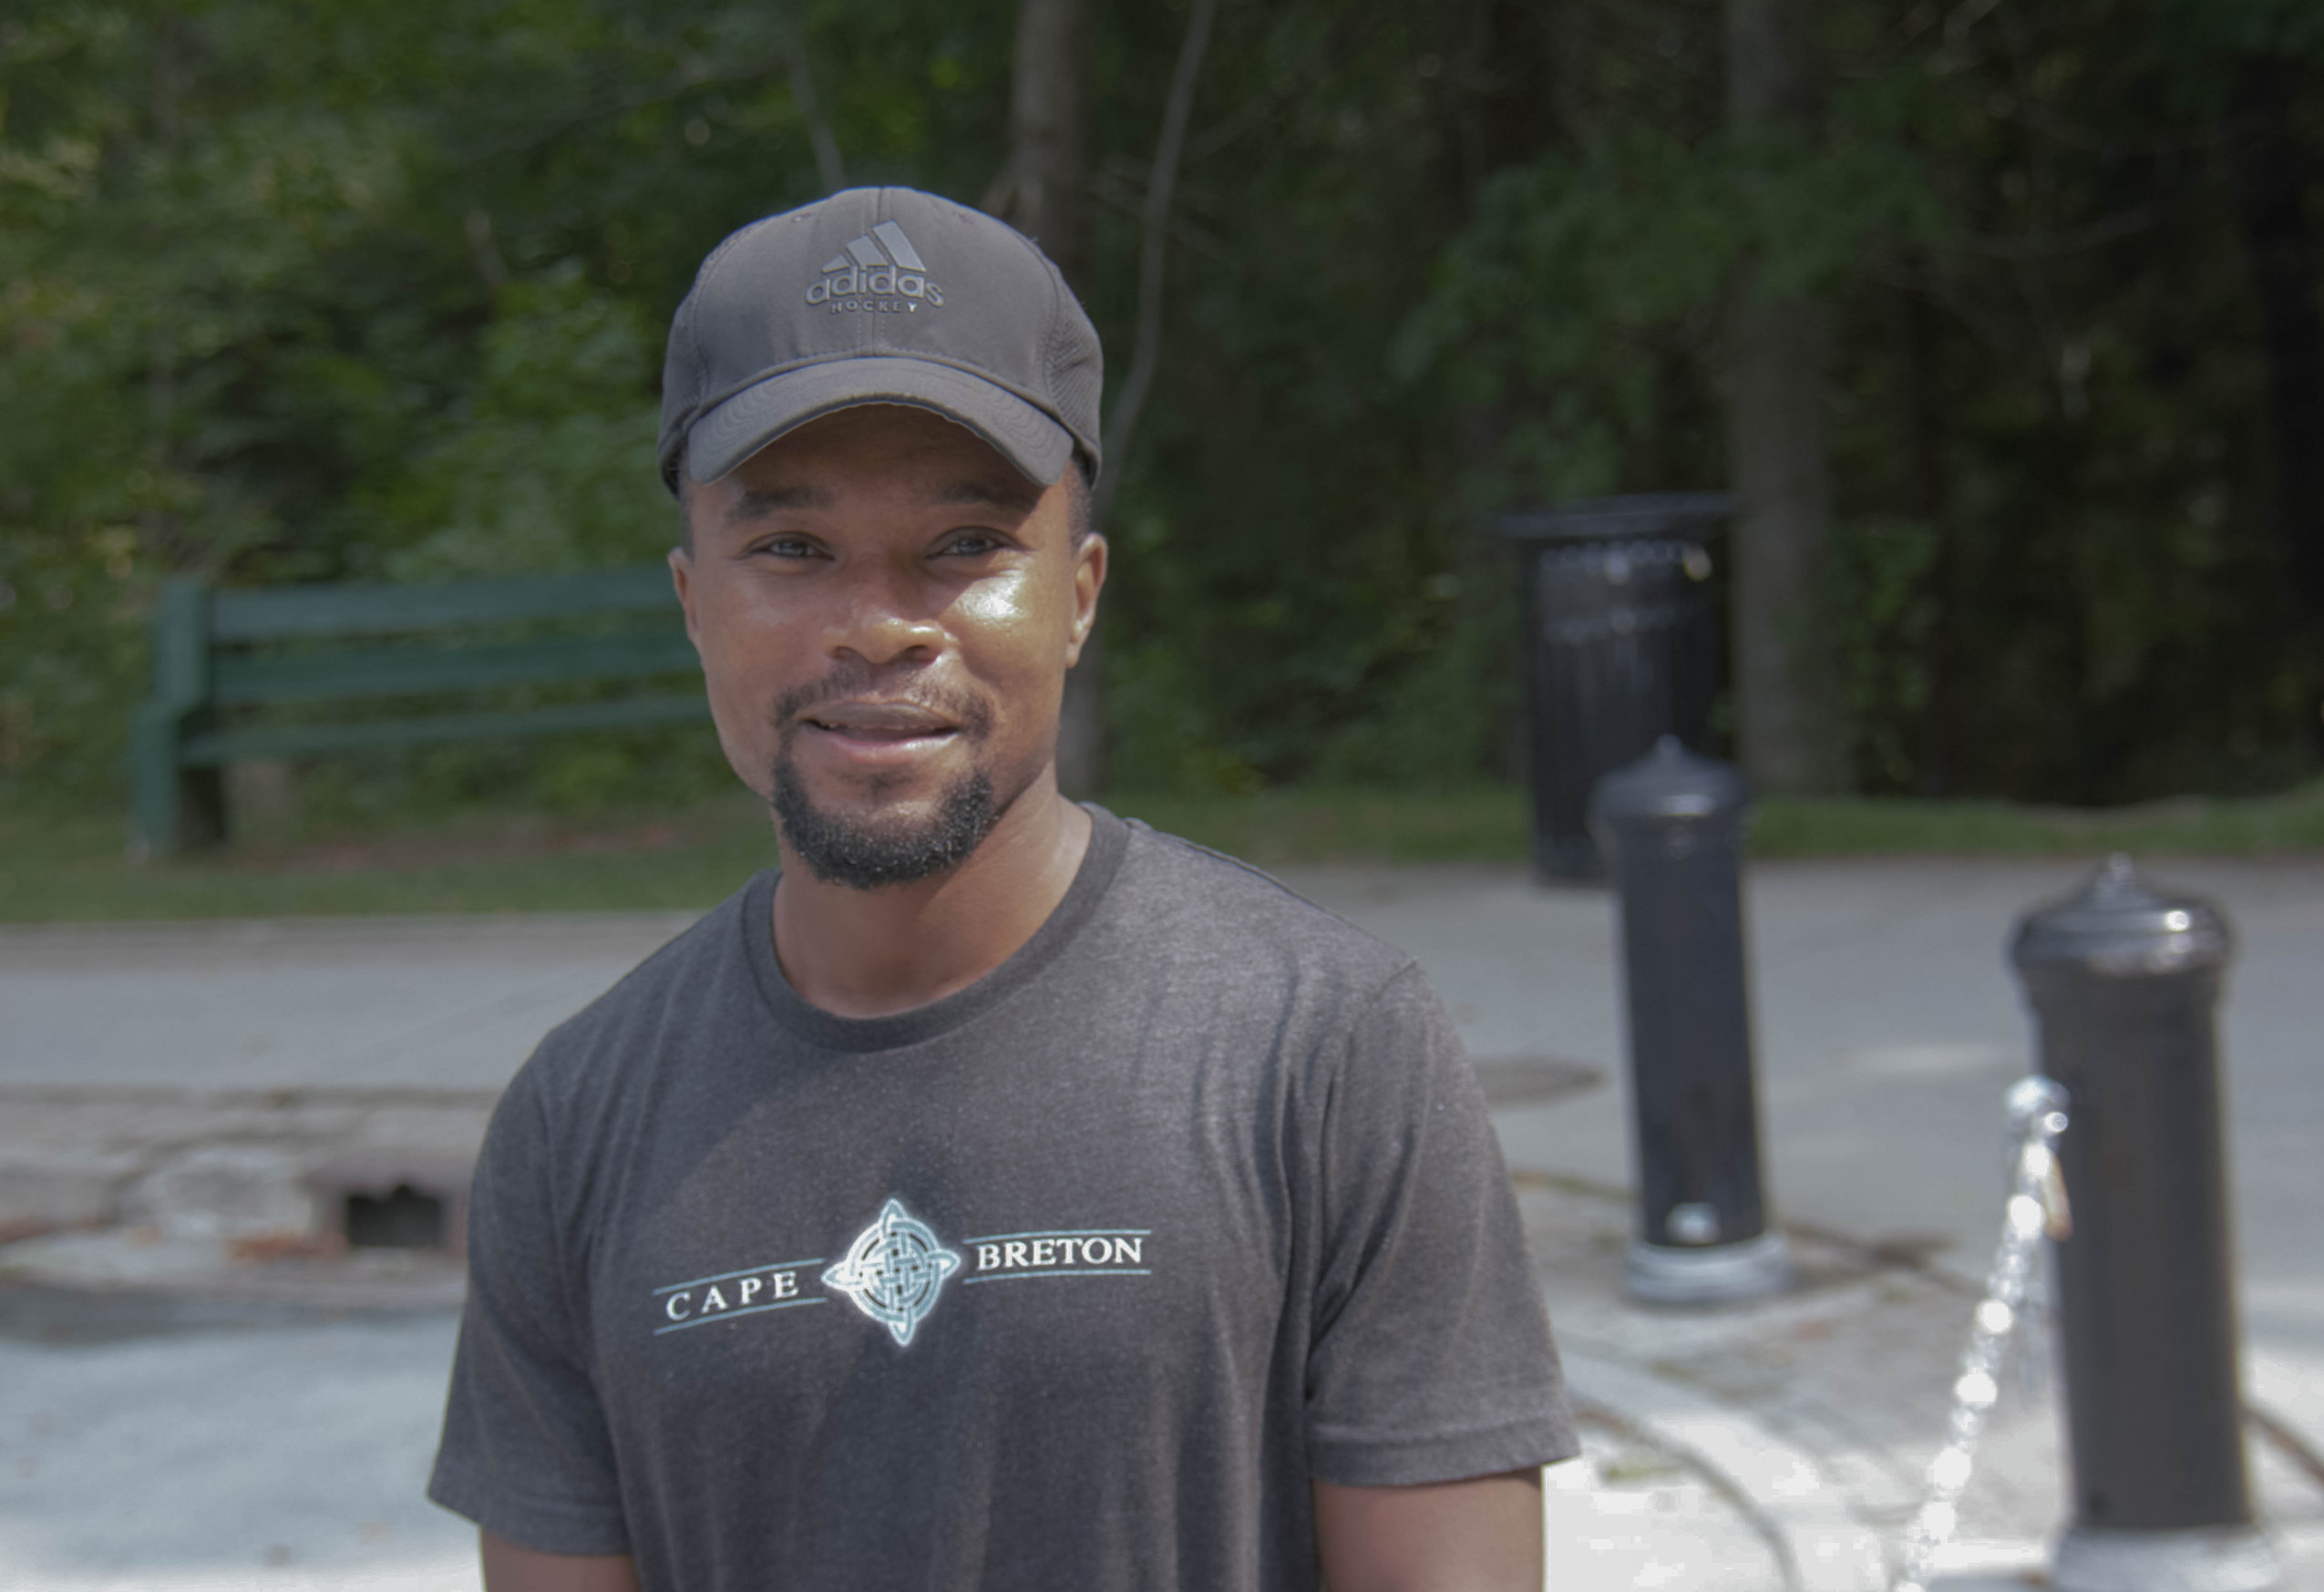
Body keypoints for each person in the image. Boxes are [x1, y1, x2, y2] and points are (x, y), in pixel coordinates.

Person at [427, 185, 1576, 1592]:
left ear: (1080, 592)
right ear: (690, 601)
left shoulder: (1330, 1051)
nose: (879, 623)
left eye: (965, 546)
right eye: (791, 549)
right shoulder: (576, 1119)